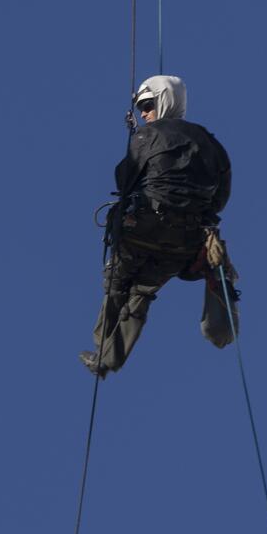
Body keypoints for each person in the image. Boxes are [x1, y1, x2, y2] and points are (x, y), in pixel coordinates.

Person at [81, 75, 238, 377]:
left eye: (147, 105)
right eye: (141, 107)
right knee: (141, 292)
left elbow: (124, 181)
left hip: (143, 227)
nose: (144, 113)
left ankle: (103, 350)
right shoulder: (213, 145)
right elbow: (220, 199)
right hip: (184, 241)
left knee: (117, 281)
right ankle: (107, 358)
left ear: (163, 100)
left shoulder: (147, 135)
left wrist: (138, 139)